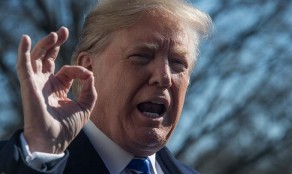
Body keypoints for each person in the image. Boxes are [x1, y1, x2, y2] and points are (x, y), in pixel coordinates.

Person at [0, 0, 212, 173]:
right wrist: (44, 149)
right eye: (141, 56)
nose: (164, 77)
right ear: (88, 68)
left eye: (178, 63)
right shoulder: (22, 163)